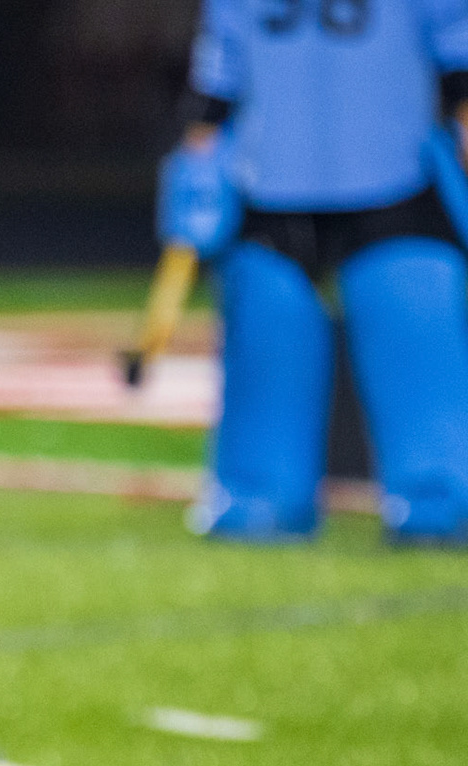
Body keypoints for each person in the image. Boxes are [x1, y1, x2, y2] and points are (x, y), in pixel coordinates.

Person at [173, 0, 468, 543]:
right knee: (268, 354)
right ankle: (258, 498)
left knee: (416, 344)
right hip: (270, 190)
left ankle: (441, 498)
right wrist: (199, 163)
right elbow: (219, 69)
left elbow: (459, 49)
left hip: (397, 183)